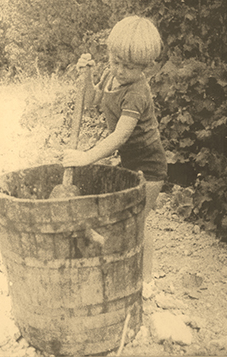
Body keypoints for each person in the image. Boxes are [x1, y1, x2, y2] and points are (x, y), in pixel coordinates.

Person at [63, 15, 167, 287]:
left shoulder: (137, 91)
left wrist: (86, 157)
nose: (121, 70)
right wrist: (84, 77)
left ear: (147, 67)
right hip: (130, 163)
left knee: (137, 223)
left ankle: (146, 282)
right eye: (116, 61)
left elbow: (120, 135)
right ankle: (119, 266)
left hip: (150, 166)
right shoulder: (111, 75)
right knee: (122, 220)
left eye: (130, 67)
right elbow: (89, 101)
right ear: (110, 54)